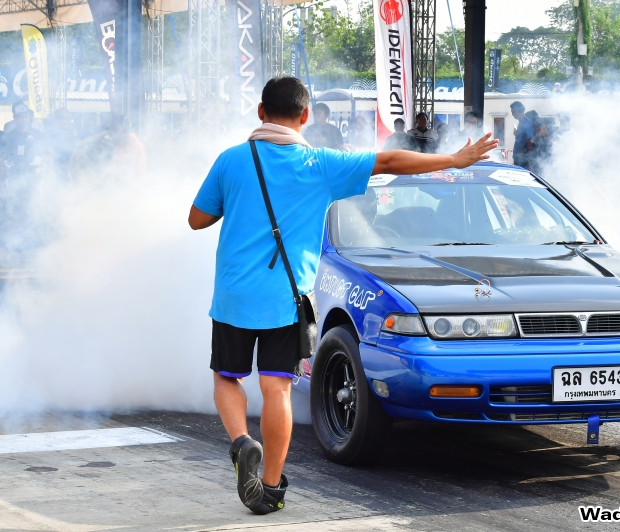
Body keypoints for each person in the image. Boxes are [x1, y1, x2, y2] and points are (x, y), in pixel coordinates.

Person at [188, 76, 497, 516]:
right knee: (276, 388)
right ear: (306, 117)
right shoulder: (320, 164)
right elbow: (389, 160)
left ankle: (241, 443)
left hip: (235, 294)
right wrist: (454, 158)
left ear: (260, 113)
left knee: (227, 377)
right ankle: (271, 488)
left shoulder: (231, 161)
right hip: (287, 295)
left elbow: (197, 219)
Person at [0, 101, 43, 180]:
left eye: (26, 117)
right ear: (14, 118)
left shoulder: (38, 135)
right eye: (20, 117)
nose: (23, 120)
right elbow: (2, 159)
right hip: (13, 178)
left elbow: (48, 155)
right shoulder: (8, 136)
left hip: (33, 178)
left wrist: (43, 178)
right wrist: (2, 182)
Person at [510, 101, 534, 168]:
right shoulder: (521, 122)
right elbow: (523, 136)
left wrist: (521, 151)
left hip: (522, 157)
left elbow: (529, 138)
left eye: (512, 111)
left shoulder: (526, 121)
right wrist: (517, 133)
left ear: (517, 111)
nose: (512, 114)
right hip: (518, 156)